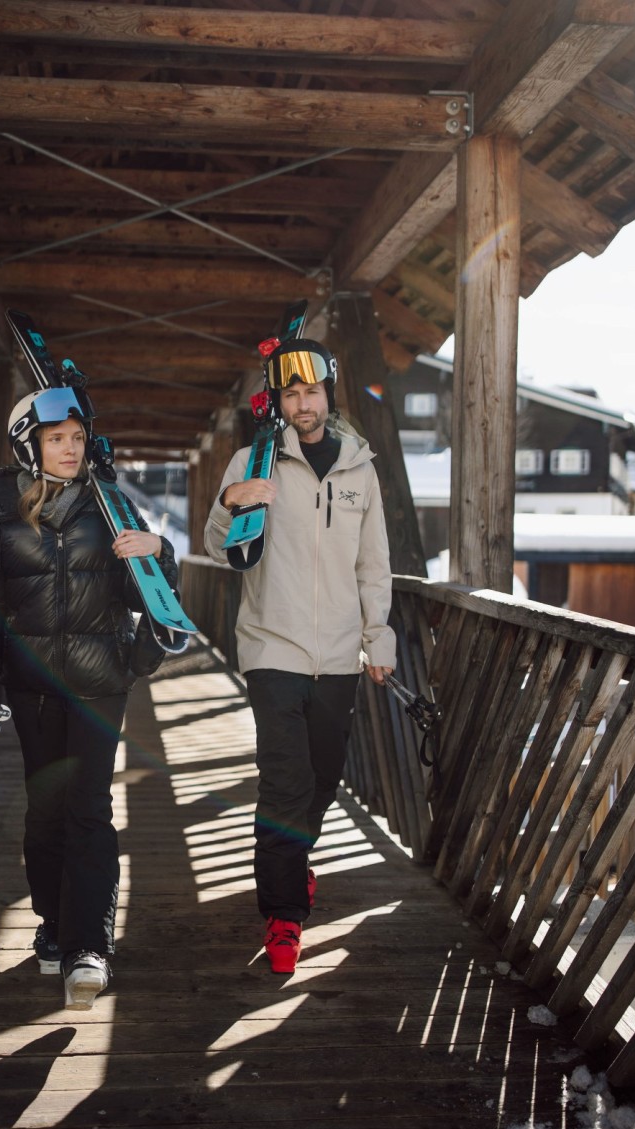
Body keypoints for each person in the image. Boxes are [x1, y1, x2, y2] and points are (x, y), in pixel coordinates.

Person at [0, 382, 178, 1010]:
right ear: (30, 445)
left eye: (77, 438)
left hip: (99, 685)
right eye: (57, 439)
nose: (71, 449)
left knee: (88, 811)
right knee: (46, 815)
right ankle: (54, 927)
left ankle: (90, 947)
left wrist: (159, 553)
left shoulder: (112, 508)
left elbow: (154, 595)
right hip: (34, 693)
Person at [204, 336, 396, 973]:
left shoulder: (359, 470)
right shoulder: (252, 460)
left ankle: (294, 863)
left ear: (328, 393)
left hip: (340, 652)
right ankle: (284, 915)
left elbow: (374, 565)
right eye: (291, 392)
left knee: (322, 777)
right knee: (284, 782)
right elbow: (216, 545)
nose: (303, 402)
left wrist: (379, 637)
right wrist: (230, 501)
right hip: (272, 646)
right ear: (278, 400)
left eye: (312, 391)